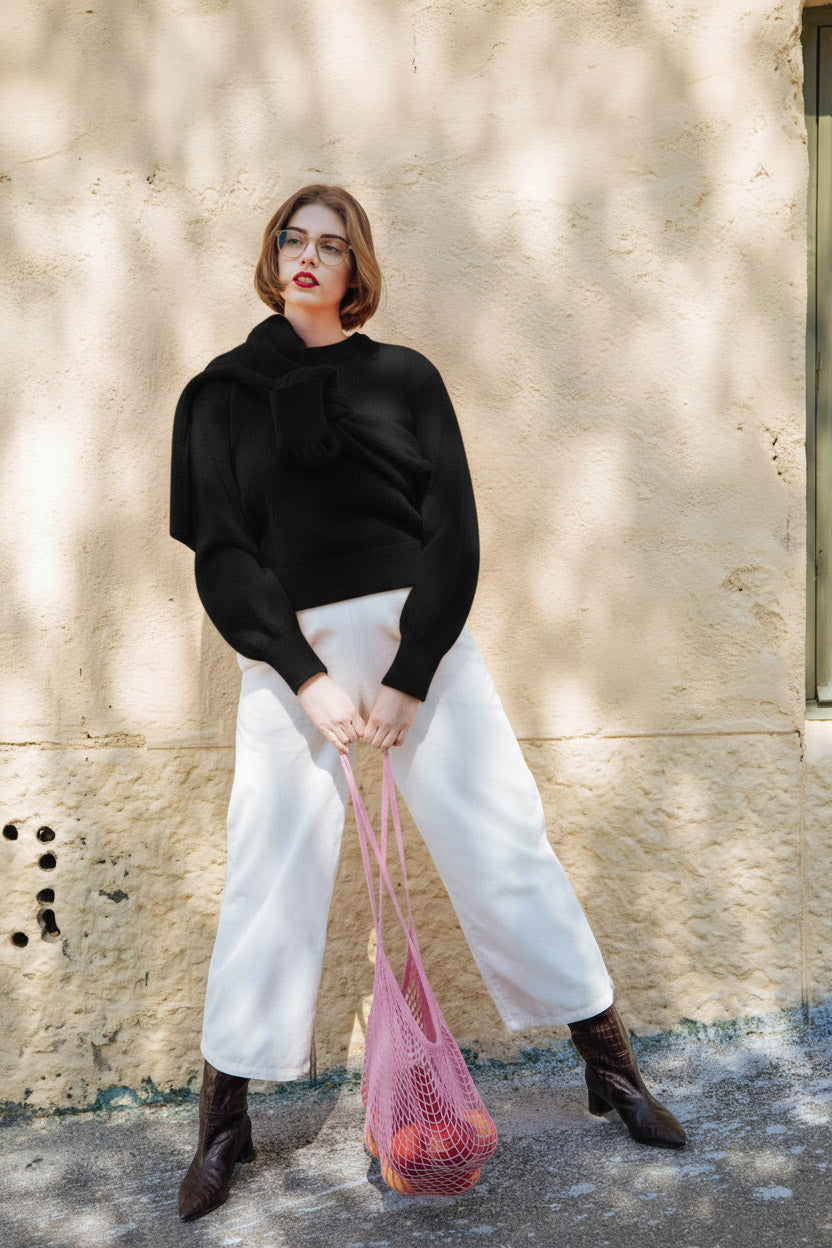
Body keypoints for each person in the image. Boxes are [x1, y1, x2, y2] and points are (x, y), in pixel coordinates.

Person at [169, 184, 687, 1221]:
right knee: (268, 871)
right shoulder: (216, 396)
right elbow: (222, 555)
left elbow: (453, 528)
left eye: (331, 245)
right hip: (290, 653)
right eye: (293, 239)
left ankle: (611, 1069)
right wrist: (303, 675)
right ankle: (225, 1121)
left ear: (356, 269)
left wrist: (411, 671)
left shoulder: (404, 376)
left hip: (420, 638)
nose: (309, 256)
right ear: (271, 257)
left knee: (503, 839)